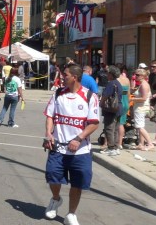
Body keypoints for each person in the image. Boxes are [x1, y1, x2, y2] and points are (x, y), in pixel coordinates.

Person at [43, 64, 100, 225]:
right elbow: (49, 116)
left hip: (80, 150)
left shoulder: (90, 96)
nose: (62, 77)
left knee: (77, 182)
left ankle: (71, 214)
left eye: (65, 75)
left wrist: (79, 138)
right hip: (58, 147)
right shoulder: (58, 94)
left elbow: (94, 123)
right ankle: (55, 199)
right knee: (52, 177)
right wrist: (48, 133)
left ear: (74, 77)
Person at [99, 65, 122, 156]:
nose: (106, 74)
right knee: (115, 129)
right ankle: (116, 147)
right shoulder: (118, 83)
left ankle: (111, 148)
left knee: (109, 129)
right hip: (118, 108)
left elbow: (105, 95)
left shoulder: (111, 83)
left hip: (111, 109)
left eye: (108, 73)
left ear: (111, 74)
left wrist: (101, 103)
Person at [131, 69, 155, 150]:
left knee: (139, 127)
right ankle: (141, 143)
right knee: (140, 126)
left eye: (137, 75)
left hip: (141, 108)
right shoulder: (142, 84)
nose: (135, 76)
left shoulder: (144, 85)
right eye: (135, 74)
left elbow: (144, 98)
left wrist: (131, 99)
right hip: (141, 107)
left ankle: (150, 143)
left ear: (142, 76)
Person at [0, 62, 24, 127]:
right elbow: (20, 89)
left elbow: (5, 87)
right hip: (14, 96)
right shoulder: (17, 79)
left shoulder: (7, 78)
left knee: (4, 108)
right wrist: (22, 97)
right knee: (12, 109)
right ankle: (11, 123)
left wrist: (6, 92)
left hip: (7, 95)